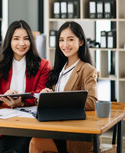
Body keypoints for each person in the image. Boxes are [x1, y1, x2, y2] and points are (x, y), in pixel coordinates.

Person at [0, 20, 51, 153]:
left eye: (26, 39)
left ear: (31, 42)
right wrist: (1, 98)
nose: (21, 43)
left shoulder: (43, 66)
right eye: (16, 38)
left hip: (30, 126)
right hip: (3, 126)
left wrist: (21, 102)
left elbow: (40, 94)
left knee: (17, 149)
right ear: (9, 41)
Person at [29, 21, 98, 153]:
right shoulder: (58, 69)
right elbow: (52, 98)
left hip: (73, 133)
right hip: (54, 127)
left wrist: (57, 100)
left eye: (70, 39)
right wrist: (44, 96)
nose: (65, 45)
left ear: (81, 42)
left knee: (36, 143)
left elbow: (92, 102)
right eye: (61, 40)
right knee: (32, 140)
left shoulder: (87, 69)